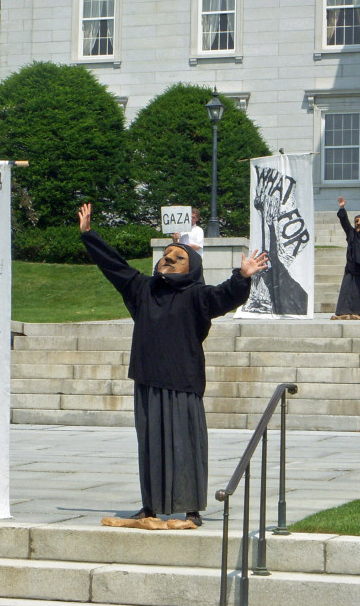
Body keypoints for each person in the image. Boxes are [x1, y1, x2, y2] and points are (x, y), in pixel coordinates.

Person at [79, 202, 268, 526]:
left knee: (186, 447)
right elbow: (114, 266)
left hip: (182, 382)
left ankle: (192, 510)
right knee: (150, 445)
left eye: (178, 257)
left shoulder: (197, 296)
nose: (168, 258)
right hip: (148, 380)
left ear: (191, 268)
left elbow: (225, 296)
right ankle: (150, 506)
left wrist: (242, 276)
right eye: (166, 255)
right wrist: (89, 235)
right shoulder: (143, 289)